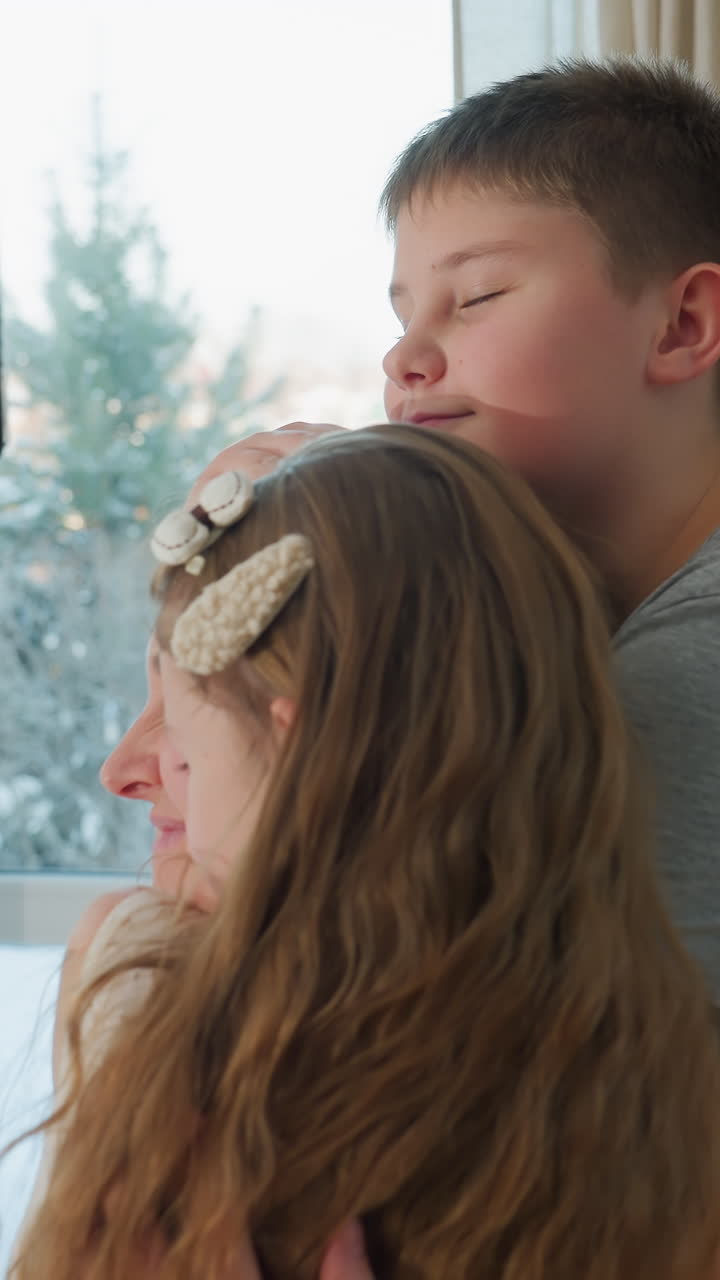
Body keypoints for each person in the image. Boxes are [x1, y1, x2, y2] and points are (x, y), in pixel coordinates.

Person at [14, 425, 720, 1280]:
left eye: (189, 745)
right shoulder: (645, 1061)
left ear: (302, 747)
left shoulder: (196, 1050)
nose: (132, 770)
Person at [197, 56, 720, 1005]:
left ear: (683, 324)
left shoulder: (688, 673)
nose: (405, 355)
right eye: (400, 314)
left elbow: (511, 1073)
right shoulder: (568, 616)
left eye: (475, 297)